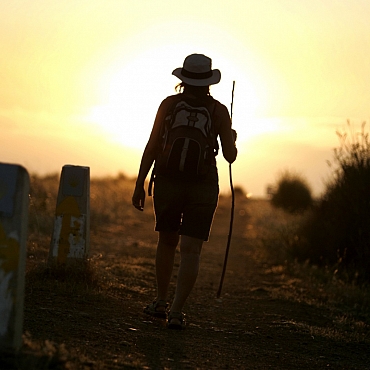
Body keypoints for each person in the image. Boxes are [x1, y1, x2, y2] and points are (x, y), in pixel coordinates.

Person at [132, 53, 237, 329]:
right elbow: (230, 156)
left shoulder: (168, 105)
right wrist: (232, 136)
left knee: (167, 242)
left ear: (183, 79)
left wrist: (140, 183)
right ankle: (177, 312)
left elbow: (153, 145)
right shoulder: (218, 111)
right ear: (209, 82)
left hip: (167, 180)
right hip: (203, 187)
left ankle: (161, 302)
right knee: (192, 251)